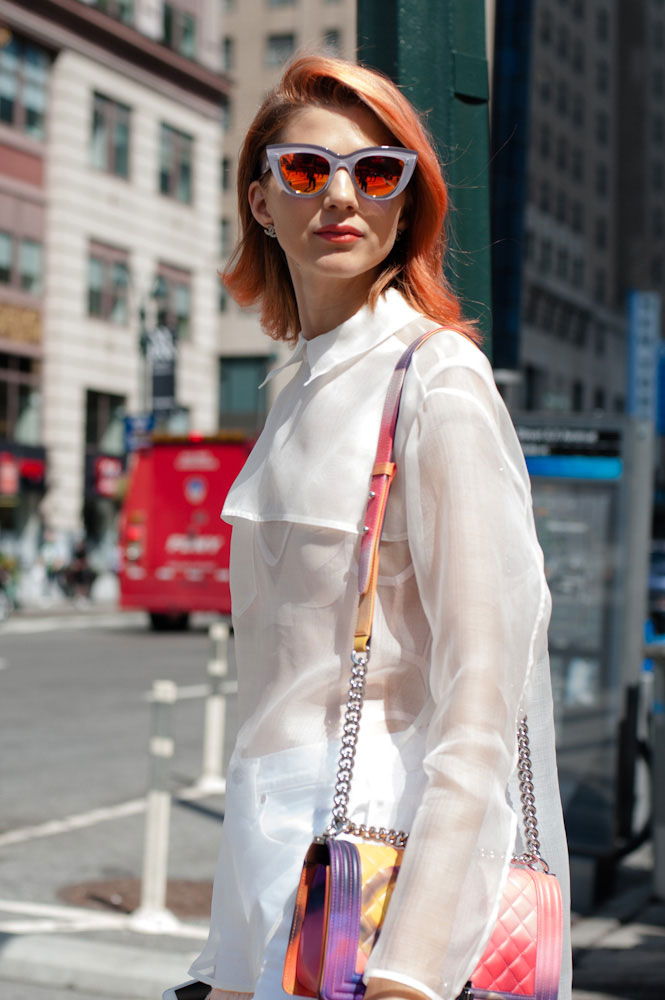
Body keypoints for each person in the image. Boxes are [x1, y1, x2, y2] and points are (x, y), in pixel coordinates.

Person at [181, 53, 572, 1000]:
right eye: (308, 171)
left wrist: (409, 973)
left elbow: (484, 689)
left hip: (383, 887)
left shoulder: (434, 378)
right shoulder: (294, 389)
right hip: (281, 882)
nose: (342, 196)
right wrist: (221, 955)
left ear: (408, 200)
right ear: (261, 202)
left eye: (377, 170)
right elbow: (273, 707)